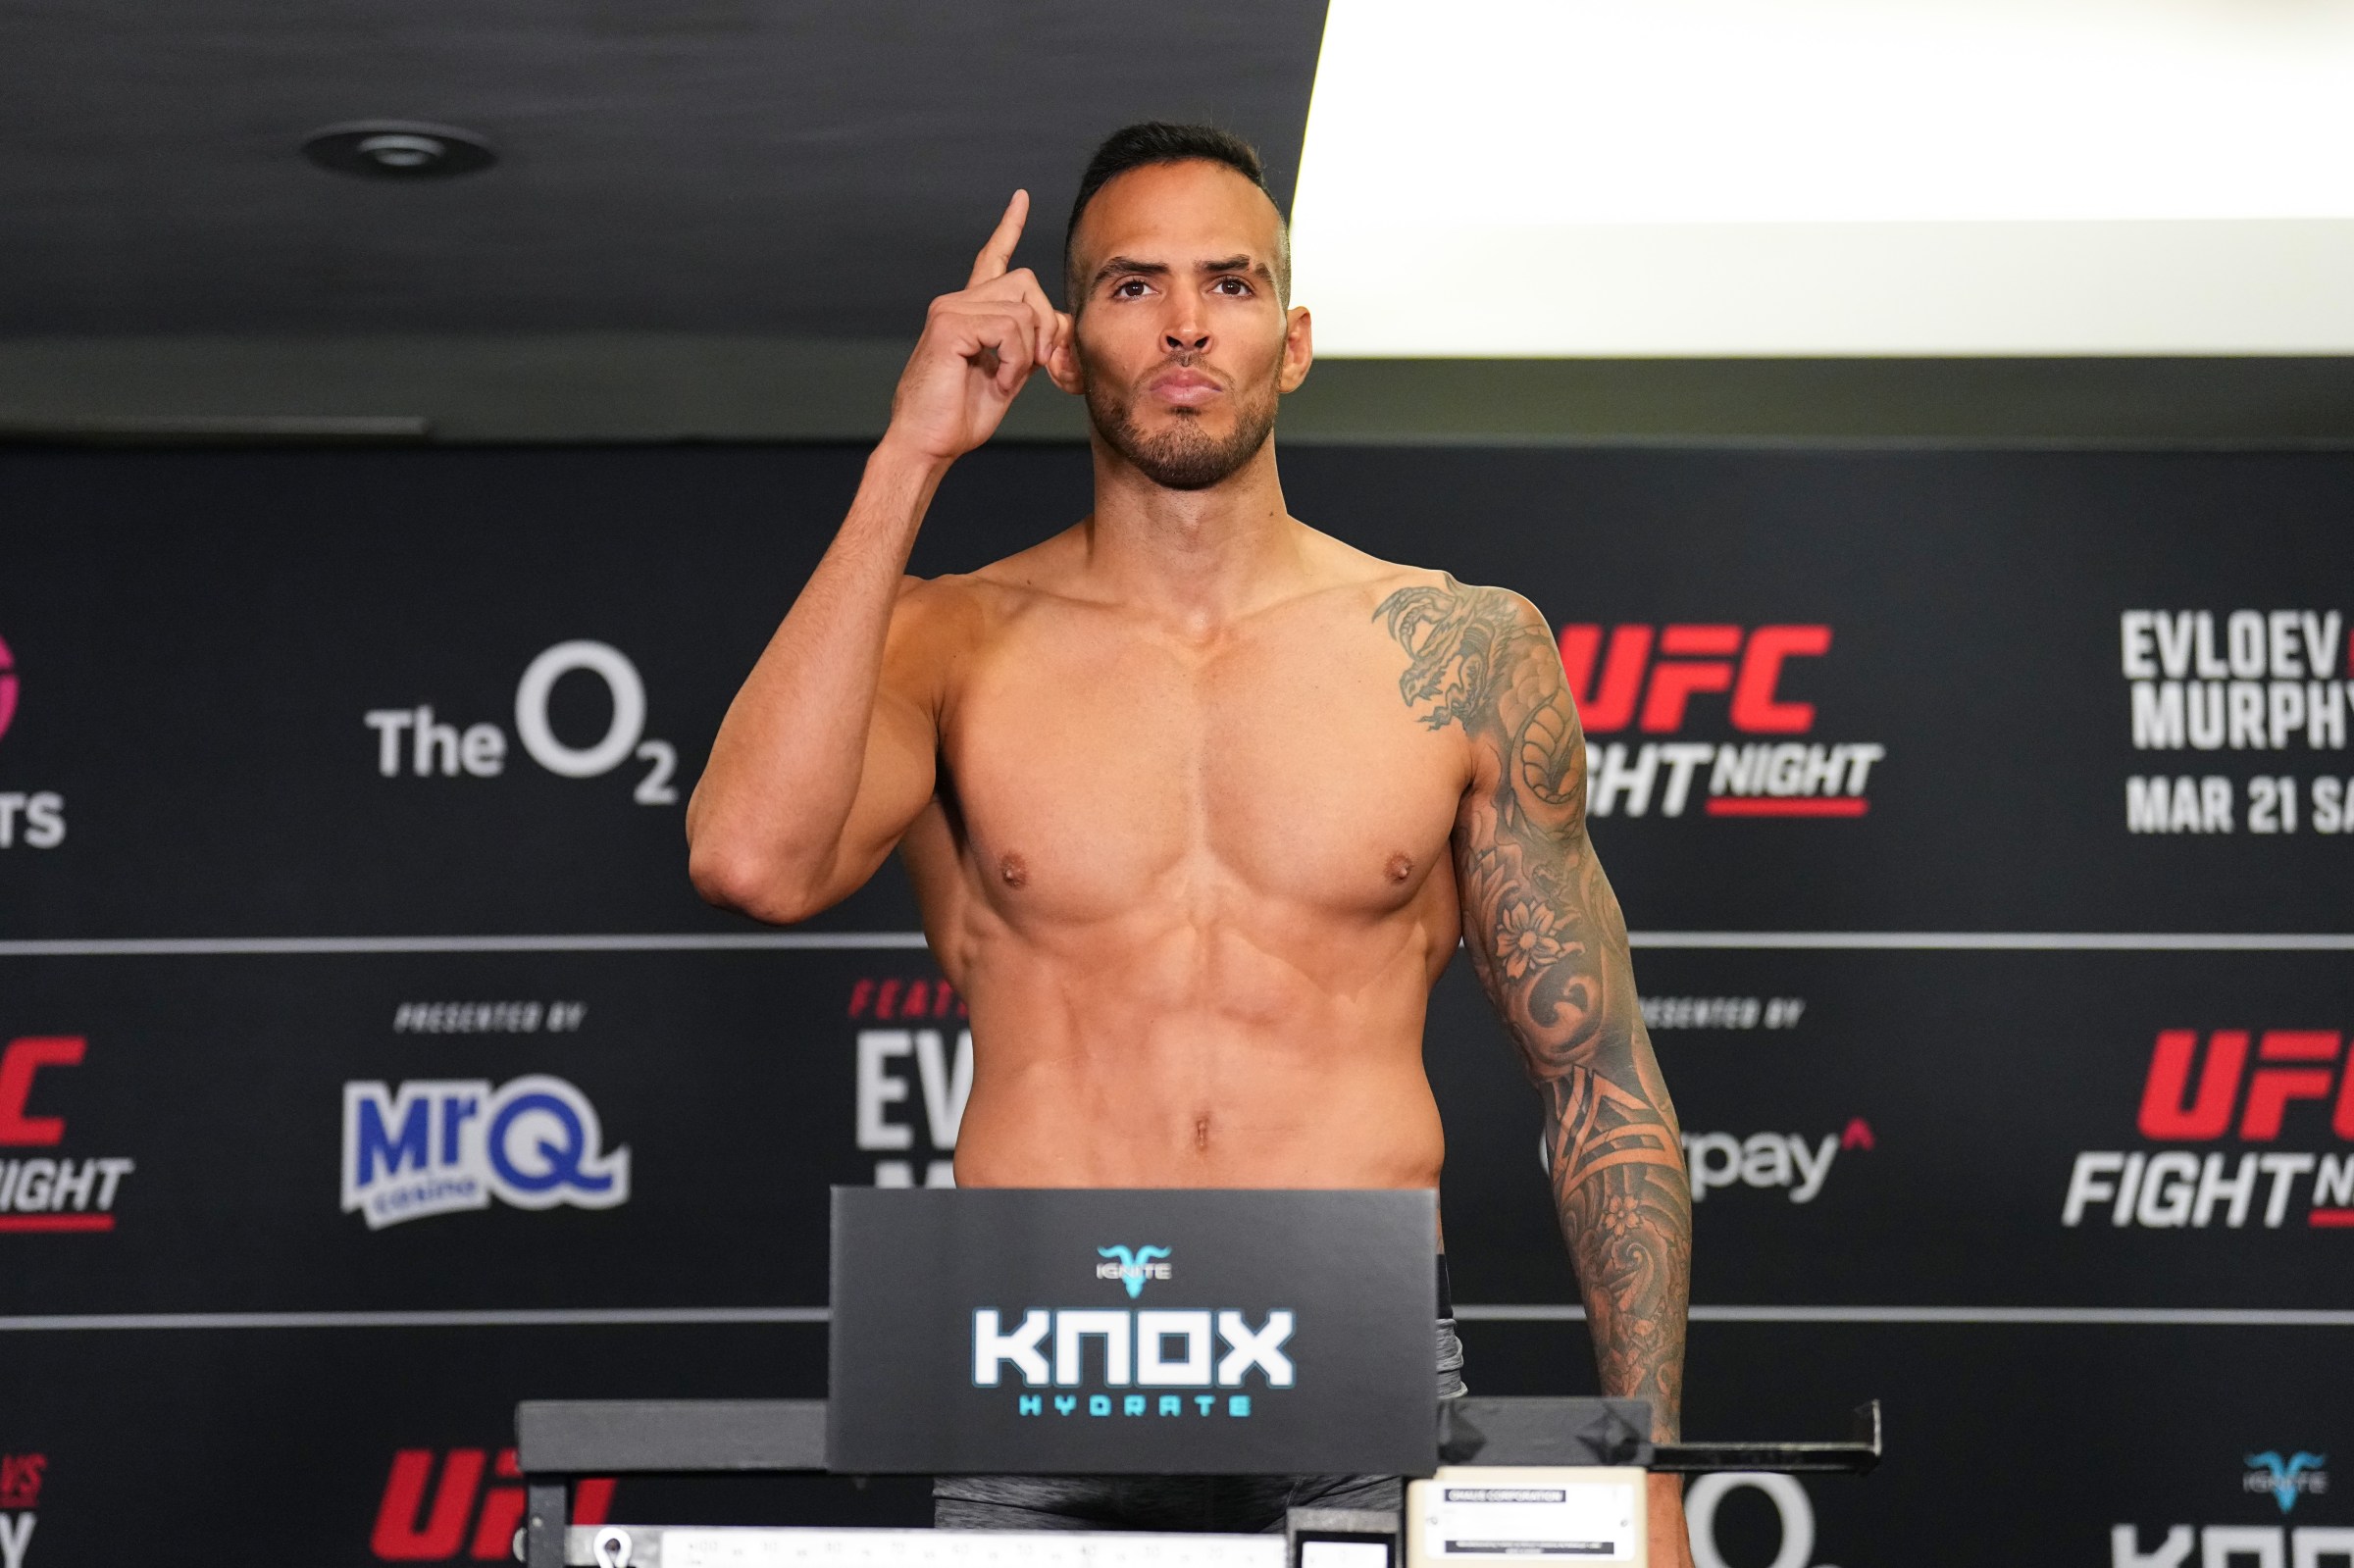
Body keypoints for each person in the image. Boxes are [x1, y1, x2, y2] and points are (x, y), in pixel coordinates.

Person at [686, 122, 1695, 1565]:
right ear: (1064, 346)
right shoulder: (946, 638)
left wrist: (1648, 1465)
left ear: (1294, 342)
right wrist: (911, 454)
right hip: (1041, 1353)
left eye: (1229, 283)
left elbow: (1599, 1076)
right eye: (1131, 285)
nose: (1183, 323)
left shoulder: (1458, 649)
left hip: (1357, 1361)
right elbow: (751, 862)